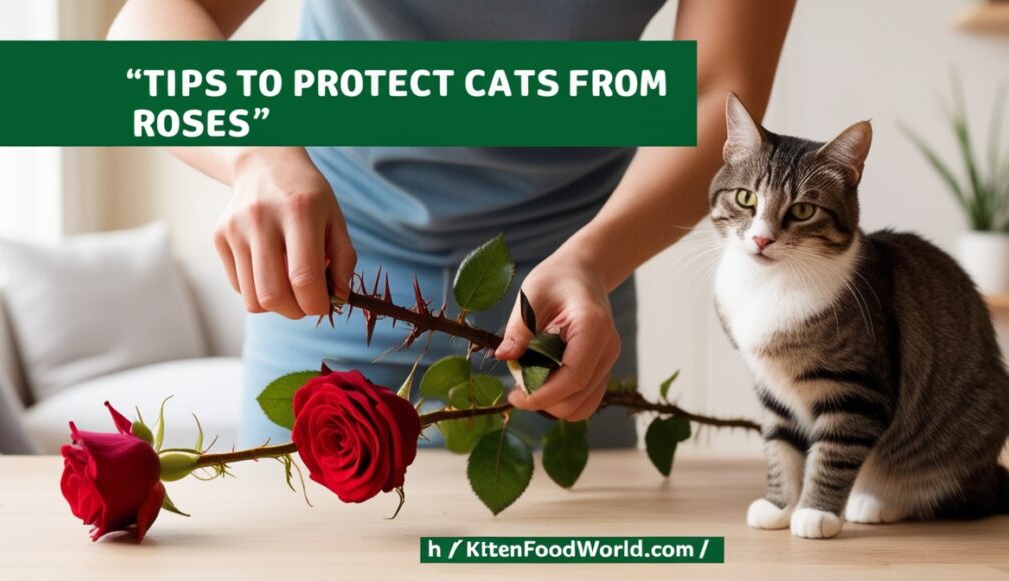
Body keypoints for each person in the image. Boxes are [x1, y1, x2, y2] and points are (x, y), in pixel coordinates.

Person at [109, 0, 795, 448]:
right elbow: (151, 22)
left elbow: (716, 90)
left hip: (566, 311)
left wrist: (593, 260)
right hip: (331, 287)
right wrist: (255, 153)